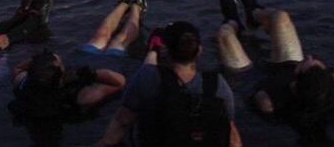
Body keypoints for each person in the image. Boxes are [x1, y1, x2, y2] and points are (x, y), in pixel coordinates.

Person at [217, 0, 334, 136]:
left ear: (294, 82)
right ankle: (253, 13)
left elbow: (254, 100)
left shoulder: (269, 103)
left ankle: (233, 22)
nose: (309, 57)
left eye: (307, 63)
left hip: (251, 77)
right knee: (280, 17)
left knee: (225, 35)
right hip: (286, 69)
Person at [98, 20, 241, 147]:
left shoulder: (148, 77)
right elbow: (232, 136)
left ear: (166, 51)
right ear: (199, 51)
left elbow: (122, 122)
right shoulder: (217, 84)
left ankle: (153, 49)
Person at [80, 0, 150, 59]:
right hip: (105, 66)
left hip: (86, 61)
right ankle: (137, 5)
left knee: (101, 35)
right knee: (120, 41)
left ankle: (124, 2)